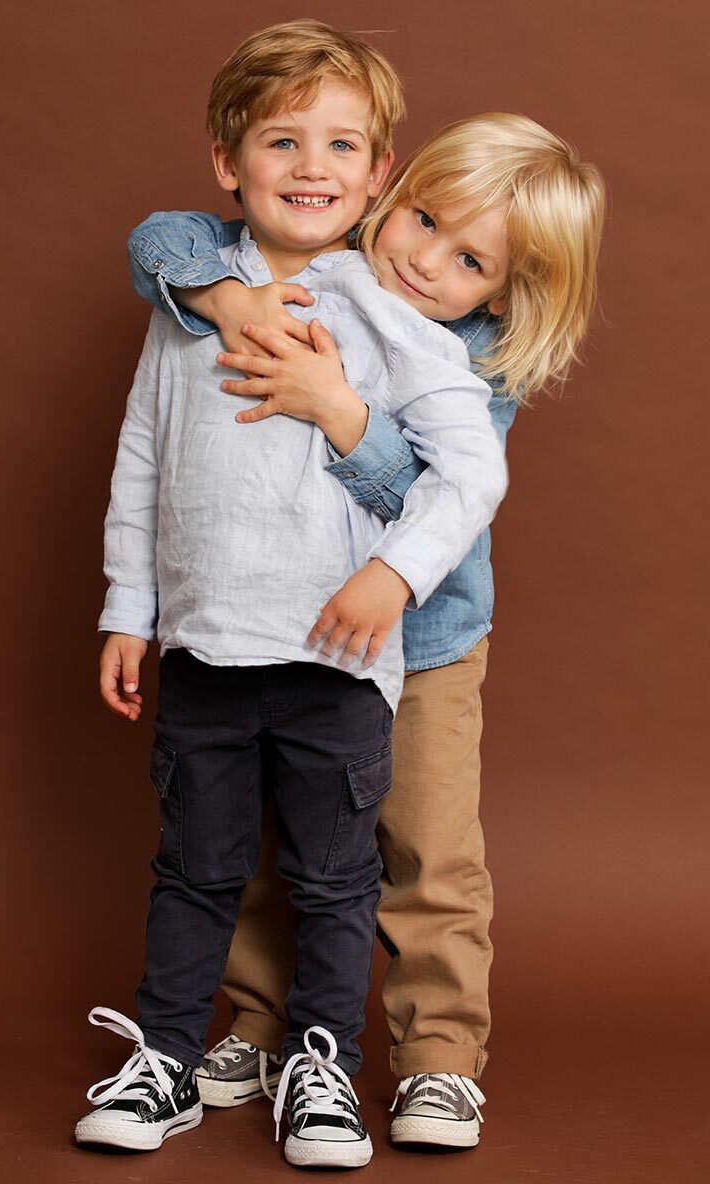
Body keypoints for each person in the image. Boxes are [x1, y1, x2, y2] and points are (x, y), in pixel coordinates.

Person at [123, 110, 605, 1150]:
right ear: (392, 192)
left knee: (425, 849)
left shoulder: (477, 358)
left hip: (421, 640)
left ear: (503, 293)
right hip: (292, 627)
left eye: (468, 259)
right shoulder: (316, 265)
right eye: (422, 220)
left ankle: (438, 1057)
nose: (424, 260)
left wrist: (335, 406)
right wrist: (225, 297)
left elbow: (438, 490)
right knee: (273, 840)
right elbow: (160, 238)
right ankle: (265, 1026)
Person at [73, 20, 507, 1170]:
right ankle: (166, 1055)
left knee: (336, 875)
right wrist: (127, 607)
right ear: (227, 160)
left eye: (340, 146)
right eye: (281, 141)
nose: (311, 165)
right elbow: (142, 456)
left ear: (376, 175)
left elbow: (469, 471)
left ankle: (325, 1065)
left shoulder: (388, 311)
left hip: (339, 659)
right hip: (206, 649)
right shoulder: (190, 299)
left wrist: (389, 570)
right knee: (199, 867)